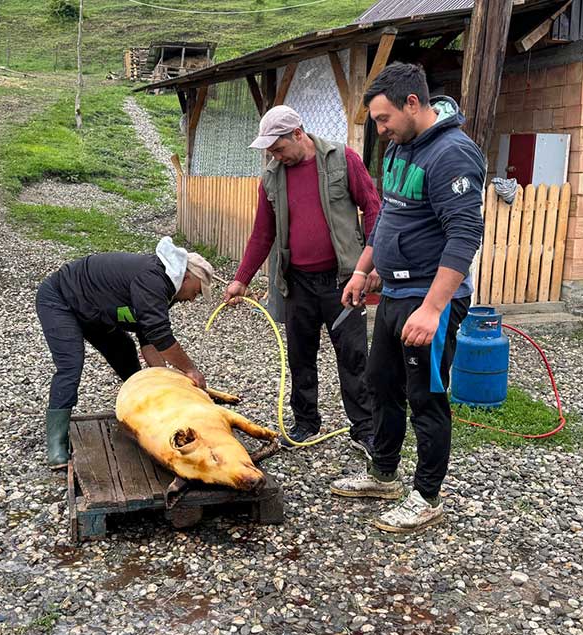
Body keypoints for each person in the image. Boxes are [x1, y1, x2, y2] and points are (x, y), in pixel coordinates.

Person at [330, 63, 486, 534]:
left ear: (413, 104)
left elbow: (464, 236)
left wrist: (434, 309)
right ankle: (383, 474)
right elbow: (387, 219)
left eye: (383, 119)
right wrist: (364, 270)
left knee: (427, 396)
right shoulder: (398, 149)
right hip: (395, 290)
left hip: (430, 299)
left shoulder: (453, 154)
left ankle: (427, 496)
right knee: (380, 383)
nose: (379, 129)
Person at [223, 105, 382, 456]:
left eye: (278, 148)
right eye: (270, 151)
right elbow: (262, 234)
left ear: (298, 133)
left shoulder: (343, 159)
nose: (274, 155)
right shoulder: (272, 176)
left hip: (344, 281)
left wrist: (373, 264)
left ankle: (365, 429)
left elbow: (373, 208)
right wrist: (241, 279)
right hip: (297, 282)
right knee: (300, 355)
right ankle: (306, 422)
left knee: (354, 356)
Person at [36, 237, 215, 469]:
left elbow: (149, 337)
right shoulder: (154, 280)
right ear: (188, 277)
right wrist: (190, 369)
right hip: (60, 300)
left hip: (95, 310)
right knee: (71, 364)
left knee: (124, 350)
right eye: (197, 292)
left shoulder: (166, 290)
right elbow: (162, 336)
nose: (193, 299)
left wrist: (163, 381)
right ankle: (56, 444)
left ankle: (146, 408)